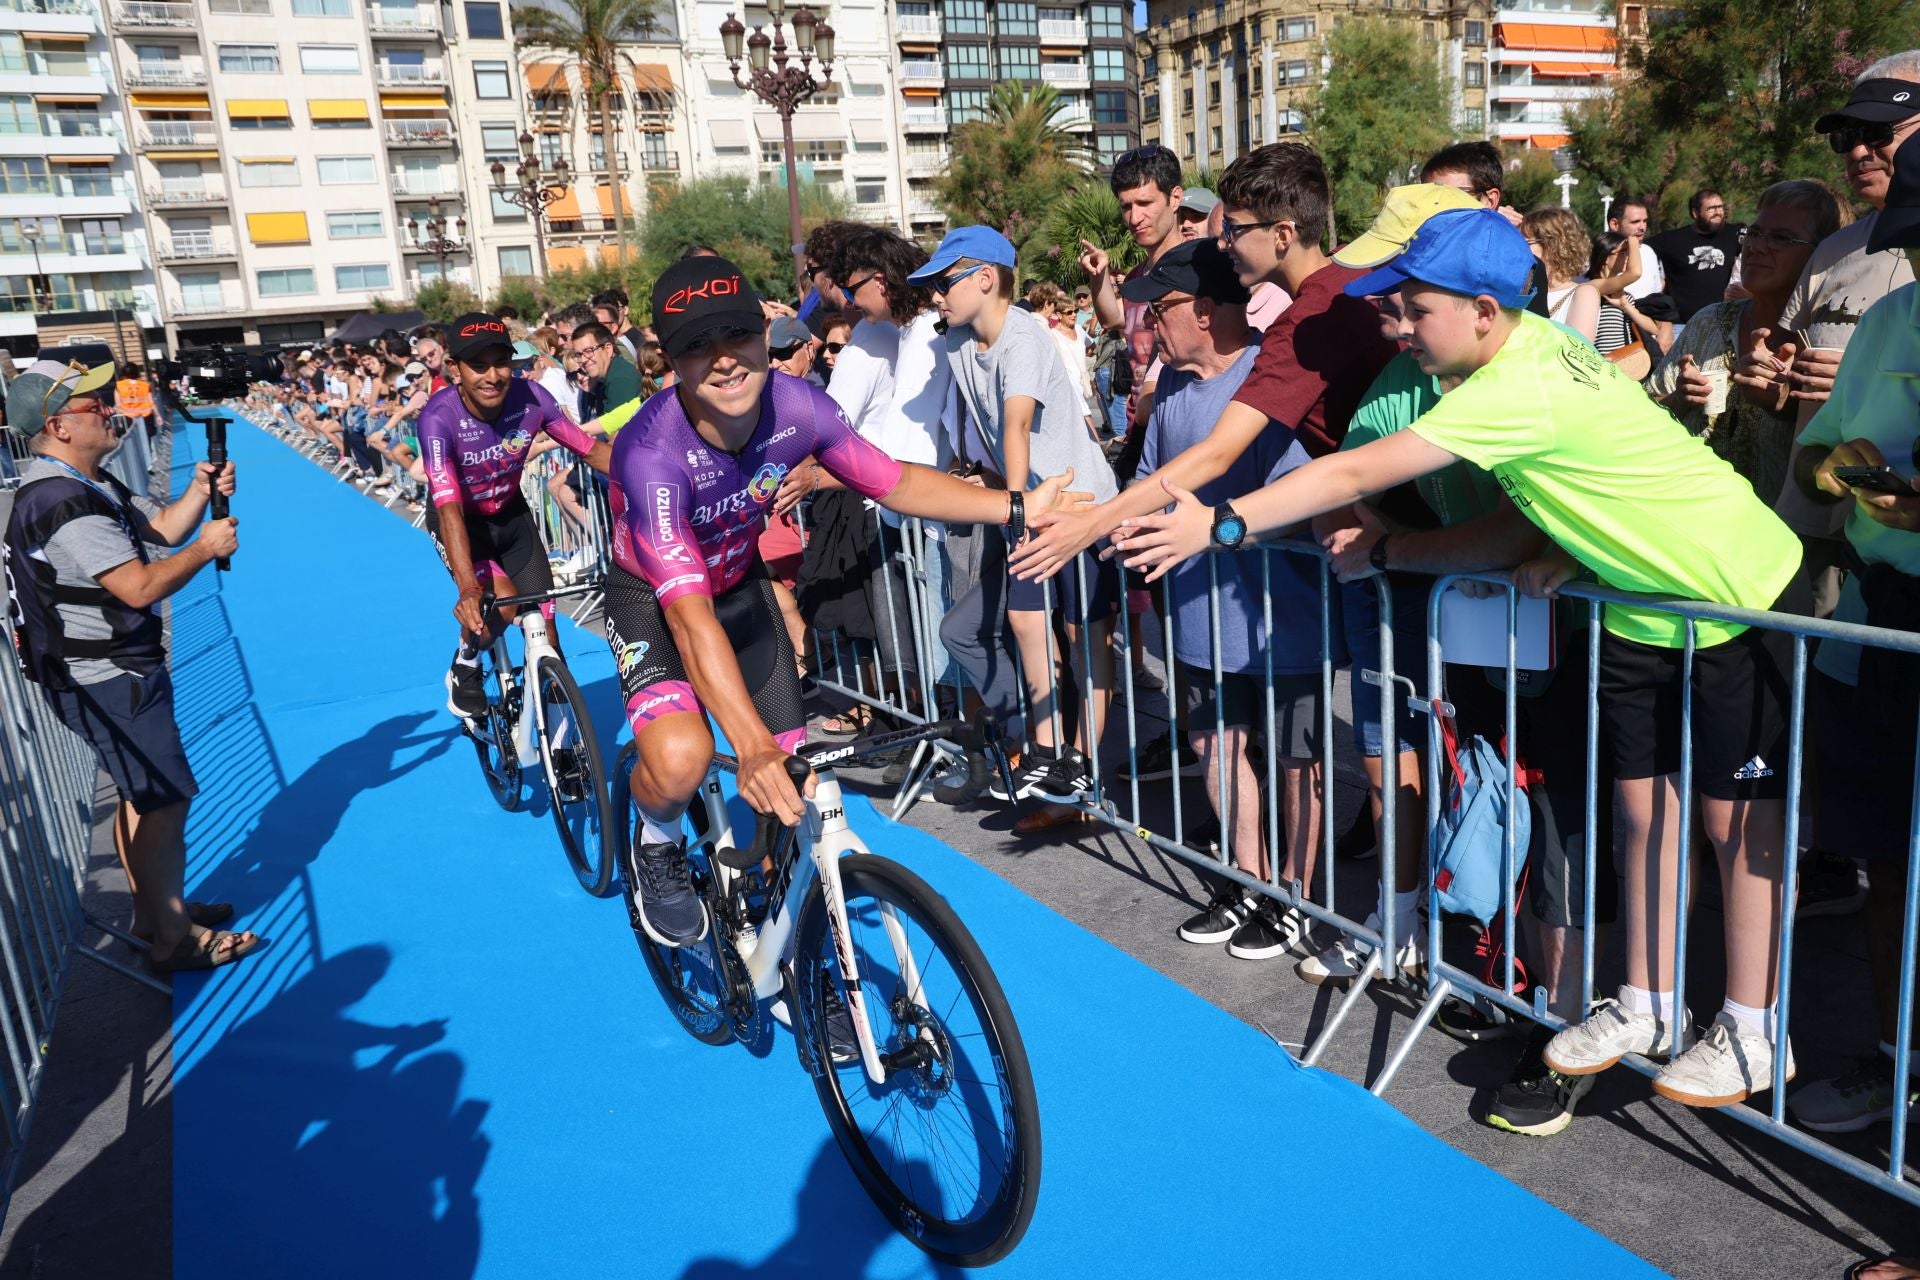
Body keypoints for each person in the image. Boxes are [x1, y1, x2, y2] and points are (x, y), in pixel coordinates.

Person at [1112, 207, 1807, 1110]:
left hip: (1733, 587)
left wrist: (1222, 520)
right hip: (1641, 600)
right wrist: (1563, 542)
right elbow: (1560, 489)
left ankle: (1755, 1030)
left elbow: (1357, 475)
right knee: (1644, 818)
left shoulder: (1515, 380)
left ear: (1484, 309)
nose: (1395, 328)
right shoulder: (1509, 362)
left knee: (1733, 831)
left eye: (1412, 310)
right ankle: (1648, 1002)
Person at [597, 254, 1083, 945]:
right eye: (696, 347)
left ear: (764, 337)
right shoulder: (651, 453)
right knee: (683, 759)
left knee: (792, 798)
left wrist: (1013, 505)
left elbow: (894, 483)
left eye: (736, 336)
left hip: (737, 591)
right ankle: (656, 841)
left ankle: (798, 953)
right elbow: (686, 612)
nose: (725, 361)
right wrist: (750, 745)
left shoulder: (799, 407)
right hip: (655, 601)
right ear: (670, 362)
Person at [1017, 143, 1405, 942]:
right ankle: (1254, 881)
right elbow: (1174, 473)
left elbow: (1238, 466)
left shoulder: (1313, 320)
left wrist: (1162, 523)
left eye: (1239, 230)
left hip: (1330, 595)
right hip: (1224, 613)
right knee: (1242, 747)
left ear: (1287, 232)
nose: (1226, 241)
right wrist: (1105, 517)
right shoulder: (1190, 383)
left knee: (1353, 757)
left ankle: (1326, 905)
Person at [1, 359, 257, 973]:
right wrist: (207, 548)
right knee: (166, 800)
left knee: (143, 796)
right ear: (59, 425)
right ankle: (172, 938)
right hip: (108, 676)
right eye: (94, 404)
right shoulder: (63, 500)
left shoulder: (86, 482)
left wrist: (198, 490)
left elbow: (160, 529)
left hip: (106, 672)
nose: (112, 406)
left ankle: (155, 914)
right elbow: (140, 587)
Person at [1125, 239, 1337, 959]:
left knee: (1295, 761)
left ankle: (1296, 901)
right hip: (1195, 621)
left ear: (1205, 311)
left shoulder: (1265, 379)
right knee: (1216, 750)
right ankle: (1249, 882)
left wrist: (1224, 528)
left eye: (1161, 308)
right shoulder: (1174, 389)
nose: (1151, 323)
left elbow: (1304, 494)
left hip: (1286, 621)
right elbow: (1151, 480)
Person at [1785, 128, 1920, 1148]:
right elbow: (1826, 444)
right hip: (1879, 618)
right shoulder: (1893, 316)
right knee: (1884, 867)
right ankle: (1896, 1068)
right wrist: (1847, 466)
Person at [915, 226, 1122, 836]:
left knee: (1087, 640)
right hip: (1027, 504)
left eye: (943, 283)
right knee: (1029, 623)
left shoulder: (1026, 337)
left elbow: (1014, 424)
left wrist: (1013, 506)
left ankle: (1081, 767)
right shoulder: (956, 343)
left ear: (985, 279)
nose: (935, 298)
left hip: (1079, 507)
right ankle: (1049, 754)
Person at [418, 313, 612, 728]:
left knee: (548, 632)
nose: (493, 376)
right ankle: (465, 662)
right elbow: (449, 506)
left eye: (501, 362)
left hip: (511, 516)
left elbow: (588, 449)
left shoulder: (532, 397)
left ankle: (562, 744)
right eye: (478, 365)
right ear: (455, 370)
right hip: (460, 523)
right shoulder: (438, 417)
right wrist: (468, 588)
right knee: (501, 609)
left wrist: (652, 478)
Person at [1649, 180, 1843, 506]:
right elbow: (1643, 420)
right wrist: (1679, 399)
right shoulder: (1709, 322)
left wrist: (1789, 407)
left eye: (1781, 238)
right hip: (1691, 518)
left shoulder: (1830, 343)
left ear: (1822, 254)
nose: (1756, 247)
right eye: (1753, 233)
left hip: (1789, 541)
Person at [1078, 145, 1187, 435]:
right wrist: (1099, 276)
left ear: (1175, 198)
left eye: (1144, 203)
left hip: (1180, 427)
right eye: (1126, 206)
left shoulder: (1198, 270)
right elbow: (1114, 320)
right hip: (1138, 429)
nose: (1134, 218)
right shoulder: (1139, 275)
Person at [1649, 188, 1743, 323]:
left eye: (1720, 207)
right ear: (1695, 213)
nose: (1717, 212)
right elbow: (1641, 249)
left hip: (1721, 324)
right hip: (1682, 325)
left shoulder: (1734, 234)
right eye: (1711, 208)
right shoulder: (1672, 239)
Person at [1521, 207, 1601, 342]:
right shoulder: (1523, 289)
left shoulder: (1584, 293)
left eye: (1526, 242)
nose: (1519, 247)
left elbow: (1578, 351)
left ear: (1552, 245)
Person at [570, 320, 643, 421]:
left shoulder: (620, 380)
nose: (583, 360)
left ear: (608, 349)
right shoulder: (605, 378)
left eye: (588, 351)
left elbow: (616, 434)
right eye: (579, 354)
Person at [1607, 195, 1665, 301]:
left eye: (1645, 221)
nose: (1642, 227)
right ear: (1614, 224)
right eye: (1635, 222)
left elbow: (1657, 293)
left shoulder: (1648, 252)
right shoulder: (1599, 254)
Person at [591, 287, 638, 360]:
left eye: (599, 324)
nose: (593, 329)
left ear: (613, 327)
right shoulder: (610, 345)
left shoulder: (621, 351)